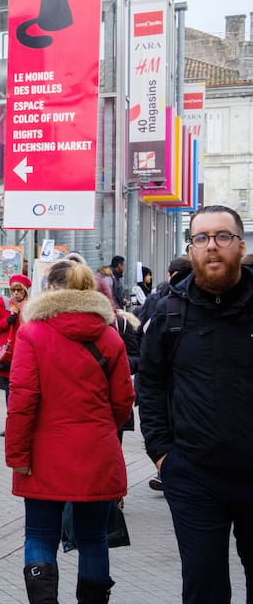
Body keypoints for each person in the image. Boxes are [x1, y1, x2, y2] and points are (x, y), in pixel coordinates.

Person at [138, 205, 253, 604]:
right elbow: (150, 383)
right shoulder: (169, 311)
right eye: (201, 238)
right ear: (191, 249)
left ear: (240, 246)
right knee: (204, 587)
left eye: (223, 236)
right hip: (194, 476)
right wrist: (162, 454)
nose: (212, 246)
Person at [5, 260, 134, 603]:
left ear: (49, 288)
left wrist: (17, 455)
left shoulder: (32, 333)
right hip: (97, 452)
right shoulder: (109, 336)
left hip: (43, 454)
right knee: (93, 538)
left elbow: (22, 400)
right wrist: (101, 430)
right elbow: (123, 401)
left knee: (39, 536)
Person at [0, 274, 30, 412]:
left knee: (20, 389)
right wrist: (6, 321)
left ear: (25, 291)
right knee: (8, 388)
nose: (16, 293)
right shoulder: (4, 304)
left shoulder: (31, 306)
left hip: (23, 353)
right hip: (7, 354)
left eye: (19, 290)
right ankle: (11, 416)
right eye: (13, 290)